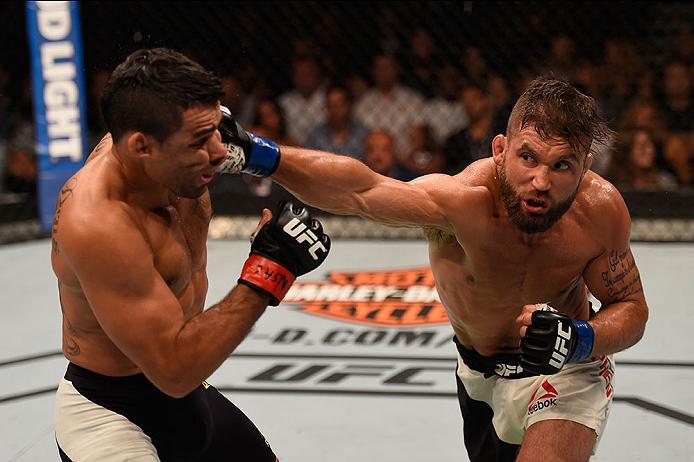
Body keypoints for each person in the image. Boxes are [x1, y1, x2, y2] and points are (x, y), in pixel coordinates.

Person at [219, 77, 649, 462]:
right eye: (528, 158)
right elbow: (361, 190)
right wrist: (256, 154)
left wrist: (580, 339)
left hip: (568, 369)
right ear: (500, 150)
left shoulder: (600, 211)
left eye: (562, 166)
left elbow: (630, 307)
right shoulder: (462, 202)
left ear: (585, 167)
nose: (541, 180)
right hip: (478, 371)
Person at [51, 48, 330, 461]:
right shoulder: (99, 224)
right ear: (142, 147)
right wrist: (269, 270)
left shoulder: (179, 150)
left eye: (217, 129)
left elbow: (350, 185)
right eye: (201, 141)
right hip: (110, 412)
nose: (220, 153)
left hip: (184, 398)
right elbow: (174, 370)